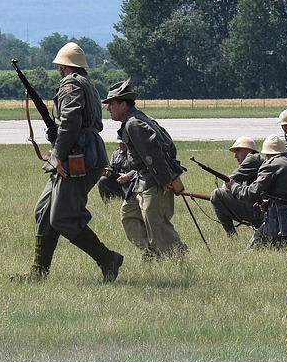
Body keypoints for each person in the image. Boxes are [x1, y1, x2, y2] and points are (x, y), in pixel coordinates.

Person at [12, 43, 122, 283]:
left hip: (77, 155)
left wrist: (59, 156)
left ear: (63, 66)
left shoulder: (70, 85)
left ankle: (108, 259)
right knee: (44, 210)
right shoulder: (86, 84)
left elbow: (70, 121)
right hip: (78, 150)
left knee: (63, 217)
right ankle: (39, 271)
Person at [102, 79, 187, 260]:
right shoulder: (133, 119)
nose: (108, 108)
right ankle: (152, 254)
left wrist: (164, 180)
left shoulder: (134, 123)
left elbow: (153, 153)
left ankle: (179, 257)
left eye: (111, 104)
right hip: (140, 179)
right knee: (129, 216)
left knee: (156, 224)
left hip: (153, 180)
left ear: (123, 104)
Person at [242, 134, 287, 248]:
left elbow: (251, 194)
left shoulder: (272, 165)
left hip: (279, 225)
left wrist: (233, 186)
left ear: (268, 154)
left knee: (251, 249)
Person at [101, 141, 152, 254]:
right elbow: (112, 166)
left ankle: (152, 249)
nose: (121, 146)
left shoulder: (134, 154)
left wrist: (128, 176)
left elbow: (141, 169)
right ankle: (107, 203)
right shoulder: (116, 153)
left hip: (131, 183)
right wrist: (109, 171)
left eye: (123, 144)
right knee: (103, 181)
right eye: (119, 144)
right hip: (118, 181)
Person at [209, 136, 266, 237]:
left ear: (249, 150)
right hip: (260, 210)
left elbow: (231, 180)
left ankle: (231, 236)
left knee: (216, 195)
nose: (235, 156)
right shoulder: (257, 160)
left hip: (259, 211)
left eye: (238, 151)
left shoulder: (252, 158)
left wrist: (226, 190)